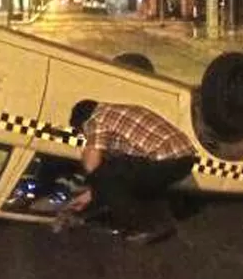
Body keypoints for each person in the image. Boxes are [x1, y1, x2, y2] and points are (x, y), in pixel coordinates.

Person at [66, 100, 198, 244]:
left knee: (104, 173)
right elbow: (123, 169)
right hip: (183, 159)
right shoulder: (118, 110)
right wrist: (90, 195)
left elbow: (93, 165)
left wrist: (88, 163)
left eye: (82, 133)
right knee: (119, 173)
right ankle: (160, 216)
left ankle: (145, 226)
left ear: (82, 122)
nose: (85, 136)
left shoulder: (95, 119)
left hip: (166, 160)